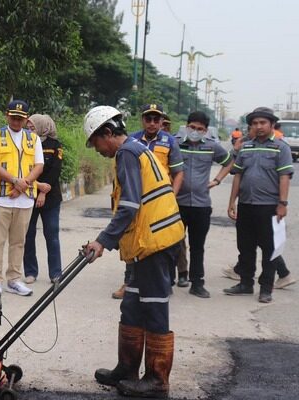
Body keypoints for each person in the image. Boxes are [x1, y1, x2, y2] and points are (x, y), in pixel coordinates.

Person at [83, 106, 184, 398]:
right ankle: (127, 370)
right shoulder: (134, 149)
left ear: (107, 133)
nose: (96, 149)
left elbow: (129, 205)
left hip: (156, 242)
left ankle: (157, 380)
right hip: (147, 243)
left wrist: (102, 241)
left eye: (95, 142)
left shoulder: (127, 153)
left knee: (153, 307)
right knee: (132, 305)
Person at [112, 104, 185, 300]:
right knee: (133, 241)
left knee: (163, 243)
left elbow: (178, 173)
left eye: (156, 119)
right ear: (142, 120)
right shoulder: (132, 140)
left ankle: (164, 283)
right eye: (148, 119)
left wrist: (171, 196)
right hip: (135, 200)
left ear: (162, 121)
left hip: (158, 203)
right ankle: (129, 283)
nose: (152, 123)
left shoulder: (169, 141)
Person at [224, 107, 294, 303]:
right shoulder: (245, 147)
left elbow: (284, 177)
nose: (258, 126)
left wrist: (282, 203)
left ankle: (266, 288)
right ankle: (246, 283)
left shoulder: (281, 148)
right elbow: (238, 175)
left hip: (269, 206)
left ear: (272, 125)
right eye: (255, 123)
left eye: (262, 123)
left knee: (269, 249)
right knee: (245, 247)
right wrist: (232, 202)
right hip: (246, 205)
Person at [0, 100, 44, 296]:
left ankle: (14, 279)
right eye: (13, 117)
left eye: (20, 118)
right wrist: (15, 181)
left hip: (24, 198)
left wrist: (22, 184)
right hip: (0, 198)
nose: (16, 121)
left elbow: (39, 166)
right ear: (6, 116)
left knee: (19, 242)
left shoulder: (33, 139)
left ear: (26, 119)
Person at [175, 111, 232, 298]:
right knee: (172, 243)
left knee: (198, 246)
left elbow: (229, 162)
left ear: (206, 131)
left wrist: (216, 180)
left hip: (201, 205)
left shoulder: (211, 147)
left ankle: (197, 283)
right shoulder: (176, 145)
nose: (195, 131)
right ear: (186, 126)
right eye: (192, 127)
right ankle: (169, 280)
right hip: (177, 204)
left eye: (200, 129)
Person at [23, 114, 63, 284]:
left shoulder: (55, 146)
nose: (29, 130)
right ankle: (30, 272)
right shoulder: (25, 143)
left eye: (32, 127)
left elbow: (55, 170)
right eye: (28, 127)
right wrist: (37, 186)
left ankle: (56, 273)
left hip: (51, 197)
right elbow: (23, 169)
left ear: (42, 126)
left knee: (51, 234)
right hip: (29, 194)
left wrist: (44, 191)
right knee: (28, 235)